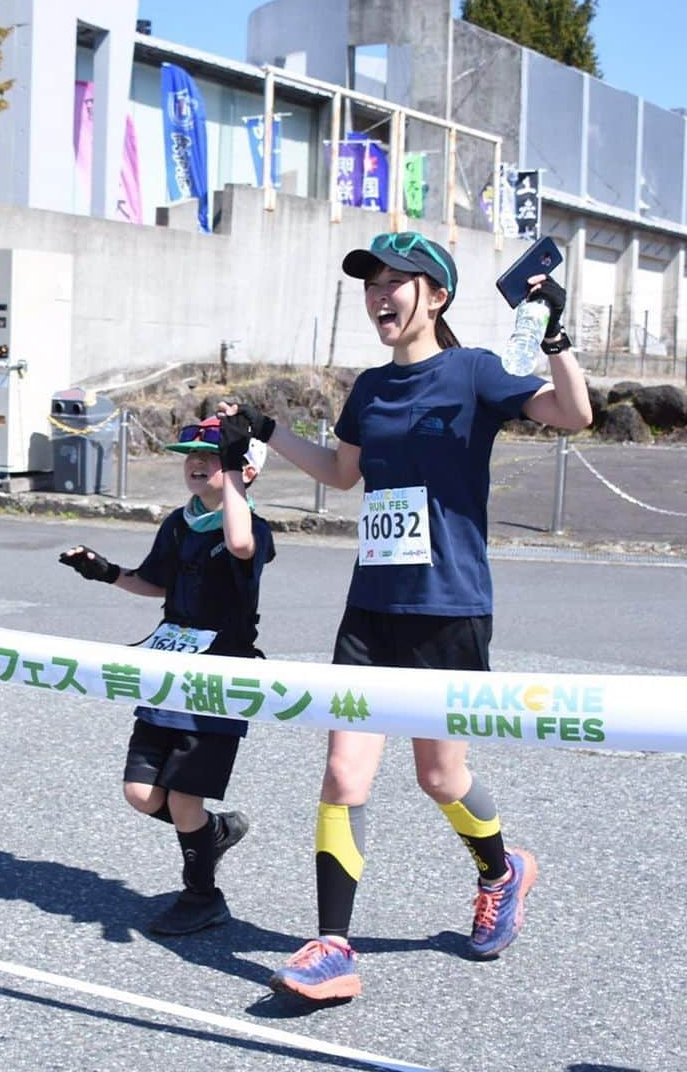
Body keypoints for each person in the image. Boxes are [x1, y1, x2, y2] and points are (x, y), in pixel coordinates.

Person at [218, 231, 591, 1000]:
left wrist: (555, 336)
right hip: (371, 607)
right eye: (372, 283)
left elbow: (573, 413)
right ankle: (331, 946)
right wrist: (265, 429)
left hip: (449, 605)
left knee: (439, 774)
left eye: (398, 281)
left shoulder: (475, 372)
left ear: (438, 296)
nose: (380, 294)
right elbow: (341, 472)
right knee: (342, 772)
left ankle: (502, 868)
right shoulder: (368, 388)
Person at [59, 416, 276, 935]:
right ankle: (210, 833)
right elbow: (155, 582)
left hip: (218, 674)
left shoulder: (250, 528)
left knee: (182, 798)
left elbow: (241, 545)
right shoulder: (178, 524)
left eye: (212, 457)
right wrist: (104, 570)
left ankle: (202, 895)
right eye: (191, 456)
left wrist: (236, 482)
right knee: (141, 794)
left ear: (243, 471)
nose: (197, 464)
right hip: (167, 667)